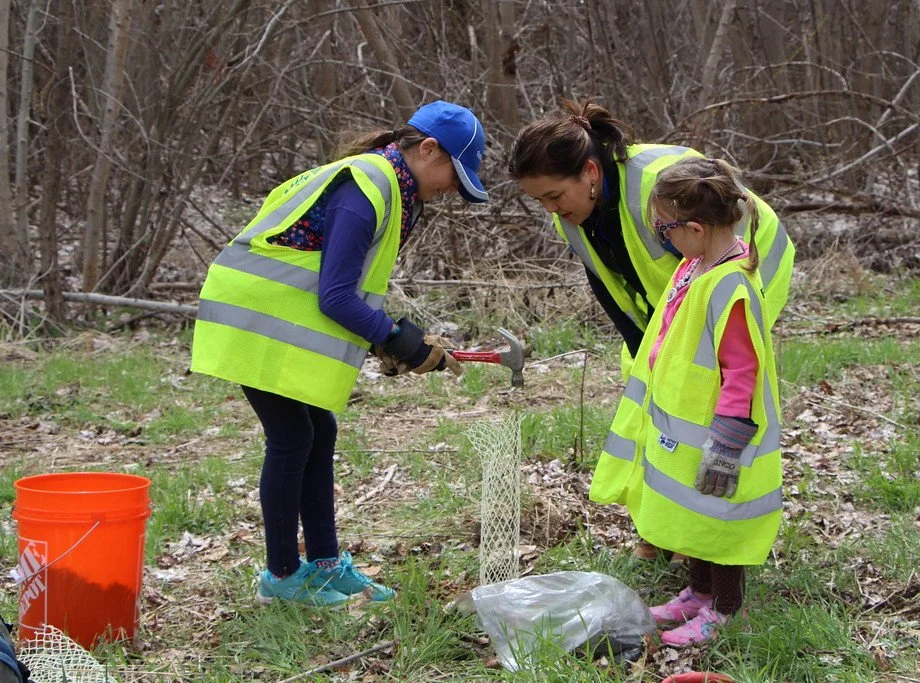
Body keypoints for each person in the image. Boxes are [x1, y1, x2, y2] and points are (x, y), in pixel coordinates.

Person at [190, 100, 488, 606]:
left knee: (318, 429)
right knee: (291, 437)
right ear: (429, 149)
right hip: (255, 317)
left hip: (274, 315)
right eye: (454, 176)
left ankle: (325, 565)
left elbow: (344, 284)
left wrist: (389, 338)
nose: (453, 190)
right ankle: (281, 579)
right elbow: (334, 297)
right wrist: (397, 339)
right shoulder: (367, 189)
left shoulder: (389, 187)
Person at [507, 99, 794, 560]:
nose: (550, 210)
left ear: (589, 173)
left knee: (703, 405)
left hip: (743, 277)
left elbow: (728, 236)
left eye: (554, 196)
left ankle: (701, 536)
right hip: (679, 298)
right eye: (539, 200)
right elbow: (611, 288)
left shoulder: (663, 186)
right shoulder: (574, 220)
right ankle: (660, 526)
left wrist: (689, 357)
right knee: (655, 404)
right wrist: (650, 357)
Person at [589, 157, 784, 646]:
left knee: (722, 526)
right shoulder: (695, 265)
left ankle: (725, 608)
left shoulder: (730, 284)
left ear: (694, 228)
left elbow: (742, 368)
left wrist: (727, 439)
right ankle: (697, 595)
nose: (659, 237)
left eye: (663, 229)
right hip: (685, 426)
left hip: (717, 432)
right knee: (695, 516)